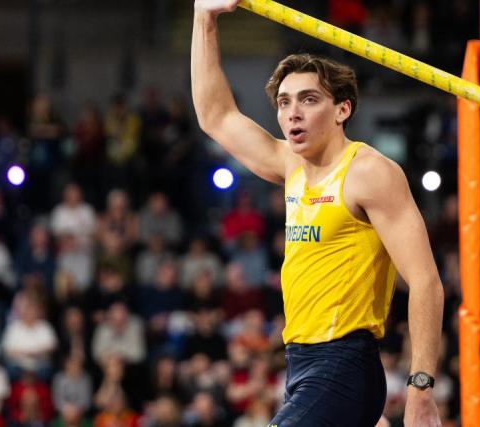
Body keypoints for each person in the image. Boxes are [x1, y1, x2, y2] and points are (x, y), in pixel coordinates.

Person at [191, 1, 444, 426]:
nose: (293, 112)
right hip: (300, 363)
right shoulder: (289, 165)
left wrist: (420, 390)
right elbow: (215, 116)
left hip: (343, 363)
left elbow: (425, 283)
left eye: (309, 100)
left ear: (342, 110)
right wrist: (204, 17)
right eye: (285, 101)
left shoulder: (369, 173)